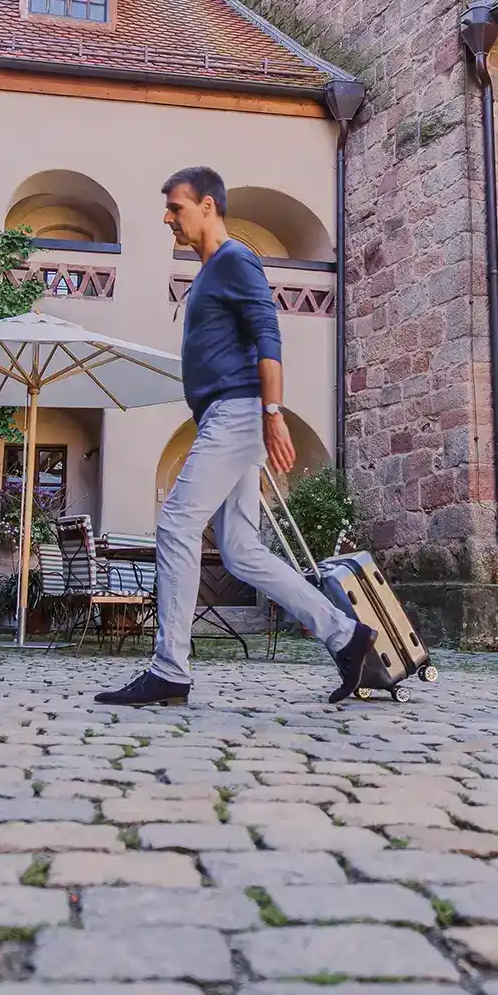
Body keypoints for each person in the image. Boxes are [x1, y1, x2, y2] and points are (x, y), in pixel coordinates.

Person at [94, 167, 375, 708]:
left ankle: (170, 669)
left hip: (238, 411)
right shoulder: (210, 271)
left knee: (176, 524)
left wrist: (272, 412)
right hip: (225, 415)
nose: (167, 218)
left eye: (176, 208)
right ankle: (345, 634)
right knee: (242, 552)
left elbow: (268, 334)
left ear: (207, 205)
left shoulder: (235, 260)